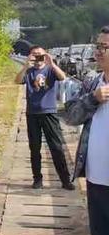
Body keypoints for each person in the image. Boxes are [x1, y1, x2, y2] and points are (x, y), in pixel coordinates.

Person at [65, 26, 109, 235]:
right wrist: (93, 99)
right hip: (96, 182)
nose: (98, 51)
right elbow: (70, 115)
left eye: (105, 47)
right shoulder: (93, 82)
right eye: (98, 46)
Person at [15, 45, 75, 190]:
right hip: (32, 114)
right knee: (34, 148)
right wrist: (25, 66)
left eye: (40, 54)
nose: (37, 57)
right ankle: (37, 179)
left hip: (49, 113)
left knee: (56, 147)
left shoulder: (50, 70)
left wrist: (52, 63)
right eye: (34, 55)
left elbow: (62, 77)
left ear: (45, 55)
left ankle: (65, 180)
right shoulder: (29, 71)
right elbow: (17, 81)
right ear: (30, 56)